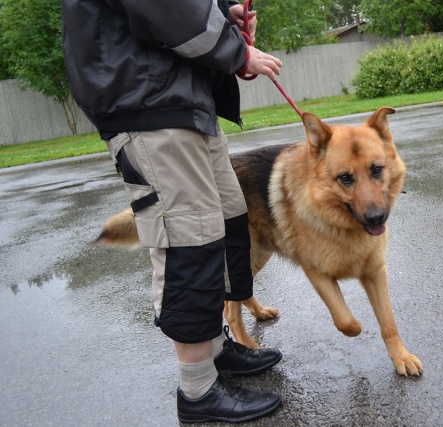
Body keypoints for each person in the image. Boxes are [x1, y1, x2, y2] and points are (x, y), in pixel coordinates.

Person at [60, 0, 284, 423]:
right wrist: (235, 50)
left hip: (184, 100)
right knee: (188, 241)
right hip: (147, 103)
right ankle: (198, 390)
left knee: (225, 220)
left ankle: (215, 350)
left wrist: (224, 16)